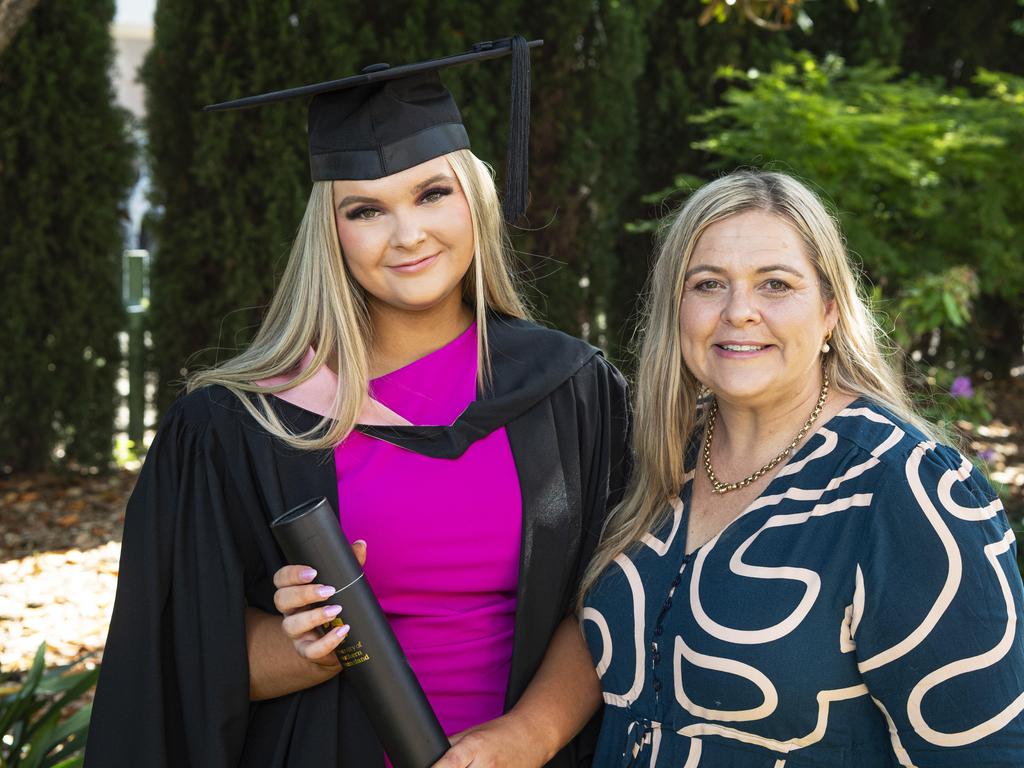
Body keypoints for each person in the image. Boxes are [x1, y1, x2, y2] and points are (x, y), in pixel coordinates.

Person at [86, 38, 629, 768]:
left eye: (433, 193)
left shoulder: (571, 389)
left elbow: (614, 601)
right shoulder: (243, 423)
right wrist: (300, 647)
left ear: (475, 196)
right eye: (366, 209)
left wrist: (525, 738)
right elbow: (173, 655)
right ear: (330, 232)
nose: (408, 235)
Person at [578, 170, 1024, 766]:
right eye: (708, 284)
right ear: (675, 308)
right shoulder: (661, 458)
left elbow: (986, 753)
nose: (739, 312)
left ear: (830, 311)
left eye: (776, 285)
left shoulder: (904, 488)